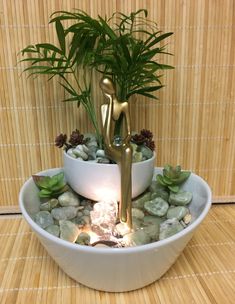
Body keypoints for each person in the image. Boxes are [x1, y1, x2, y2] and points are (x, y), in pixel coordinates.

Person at [100, 77, 133, 227]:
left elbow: (129, 131)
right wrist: (110, 102)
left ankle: (123, 210)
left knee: (128, 150)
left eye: (109, 86)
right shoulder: (104, 108)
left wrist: (126, 141)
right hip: (109, 145)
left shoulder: (124, 105)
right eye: (105, 88)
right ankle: (127, 211)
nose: (109, 89)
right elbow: (105, 135)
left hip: (121, 143)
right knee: (126, 159)